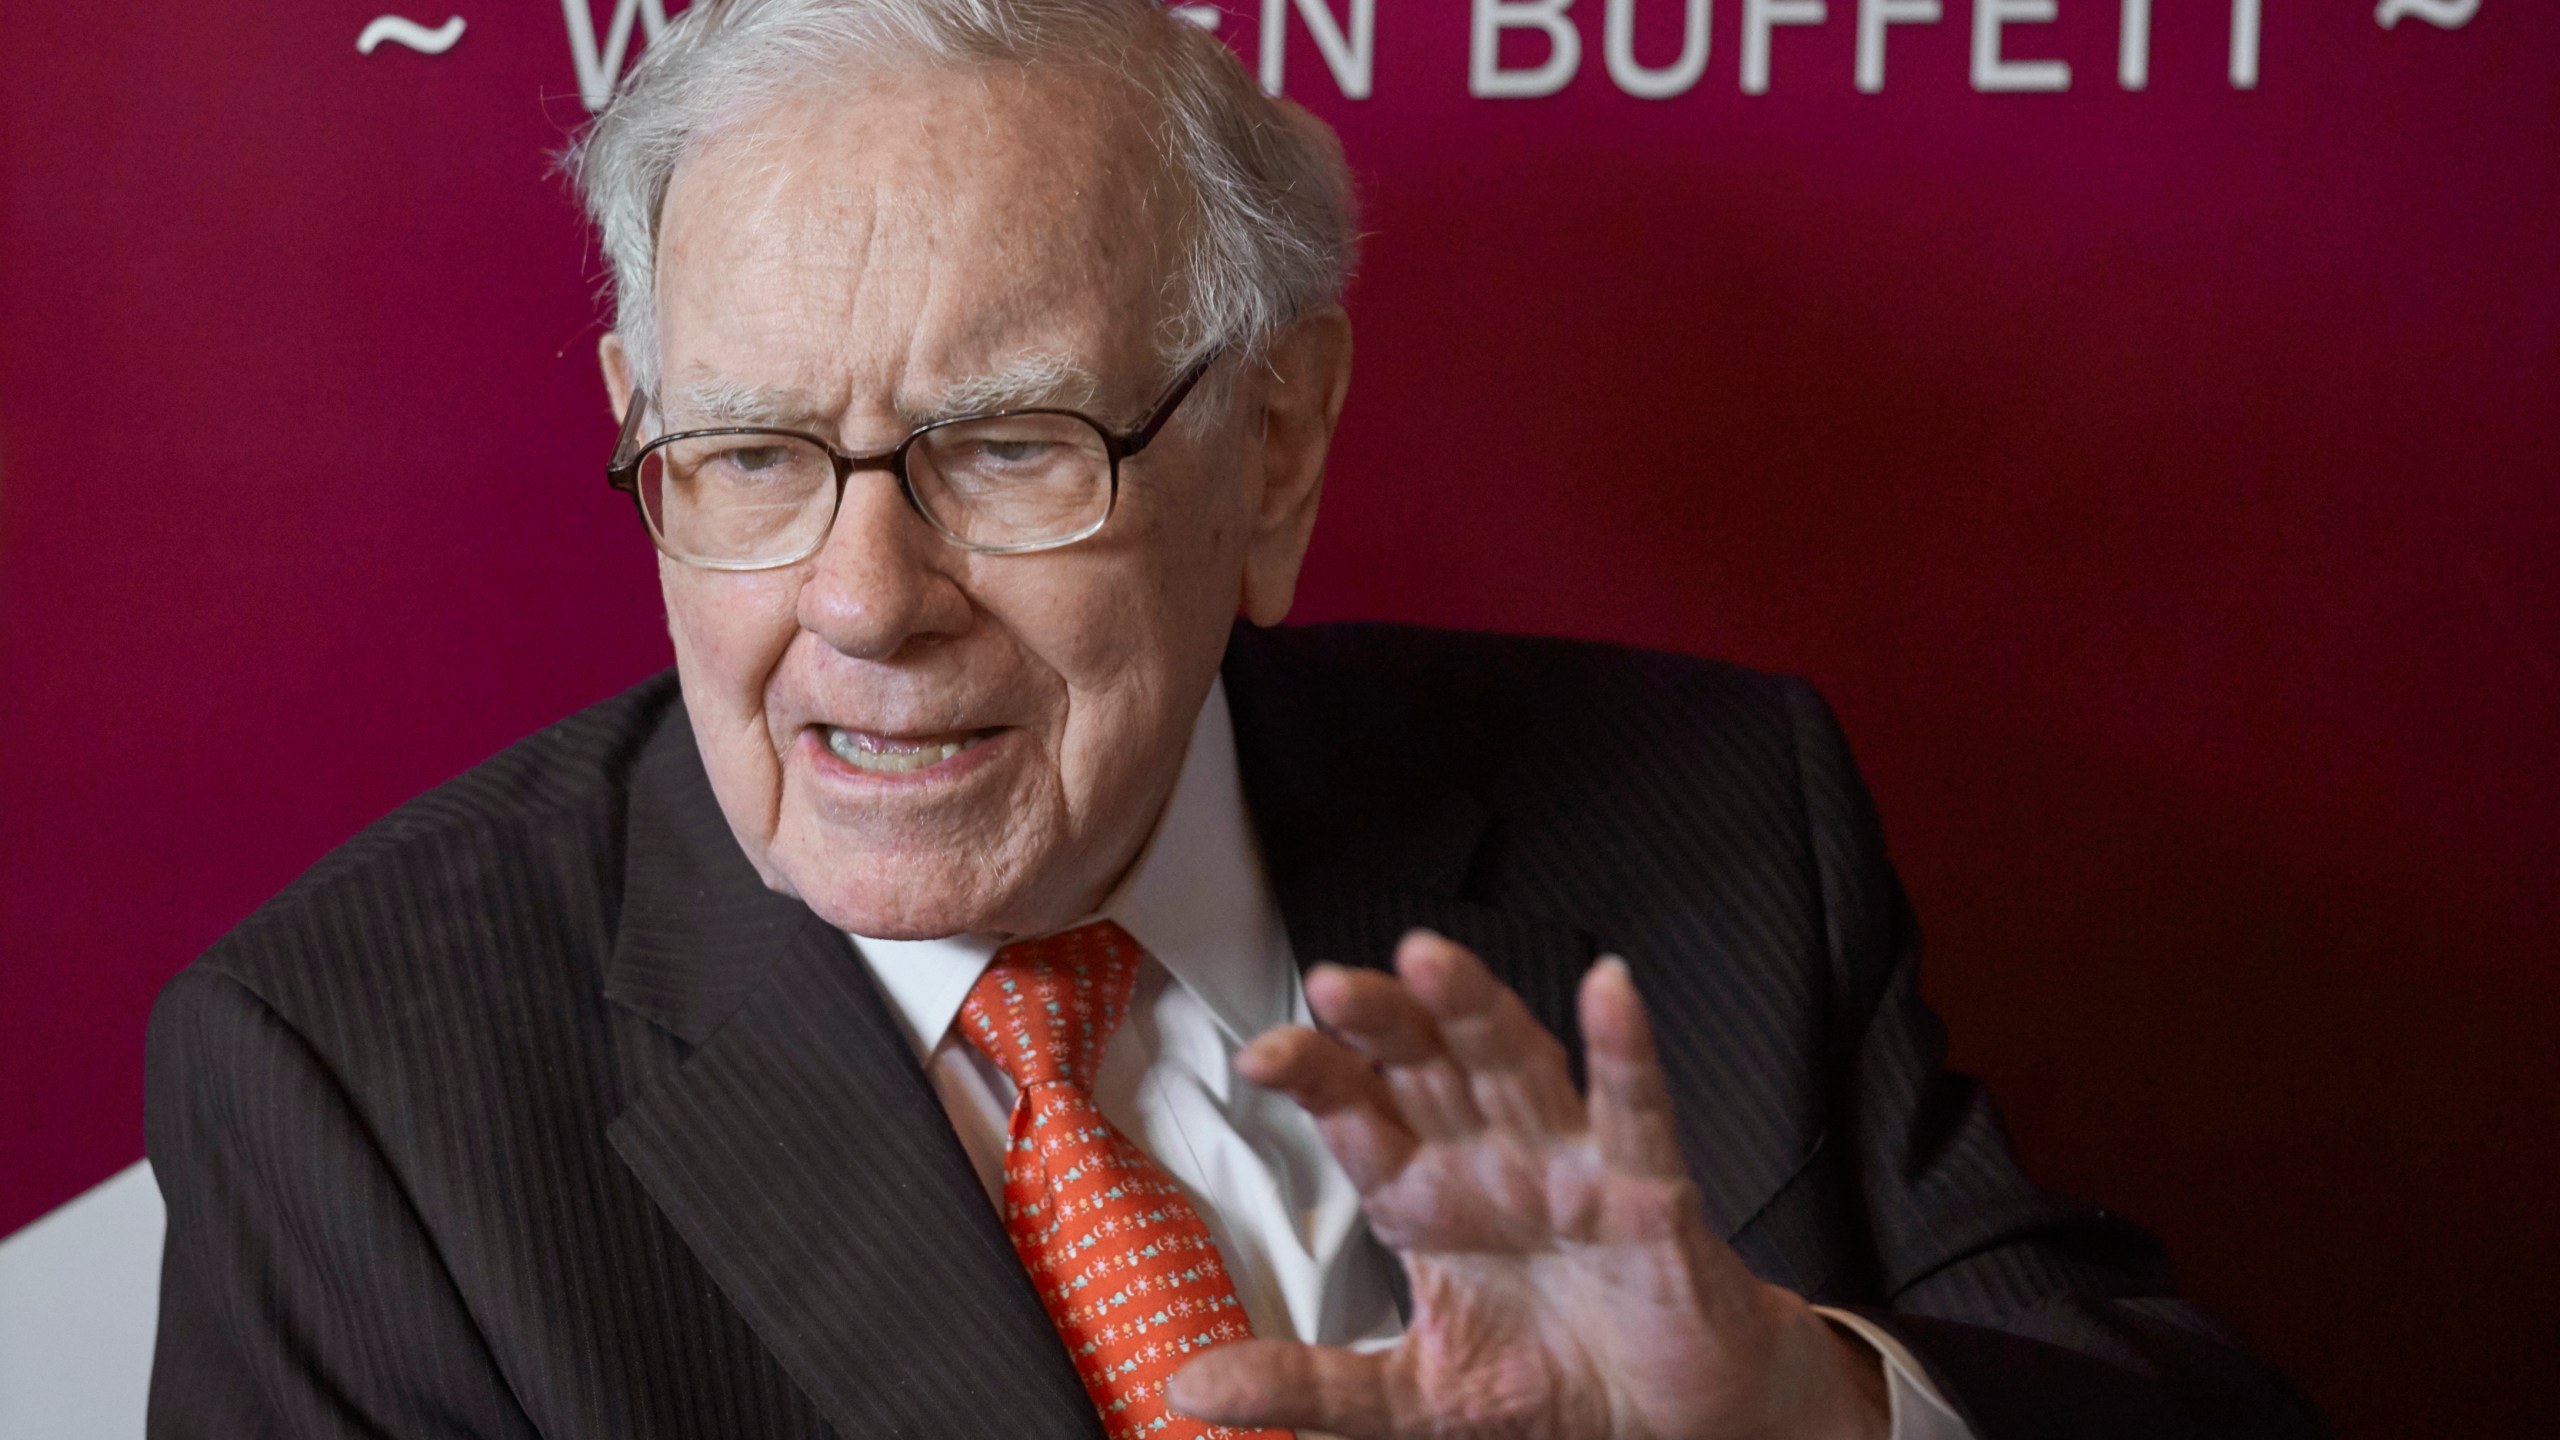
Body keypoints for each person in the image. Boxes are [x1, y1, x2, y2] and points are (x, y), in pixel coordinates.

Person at [143, 2, 2321, 1437]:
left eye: (1009, 449)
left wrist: (1787, 1407)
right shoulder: (357, 1080)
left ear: (1270, 448)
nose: (862, 606)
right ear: (640, 429)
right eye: (745, 457)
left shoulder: (1714, 825)